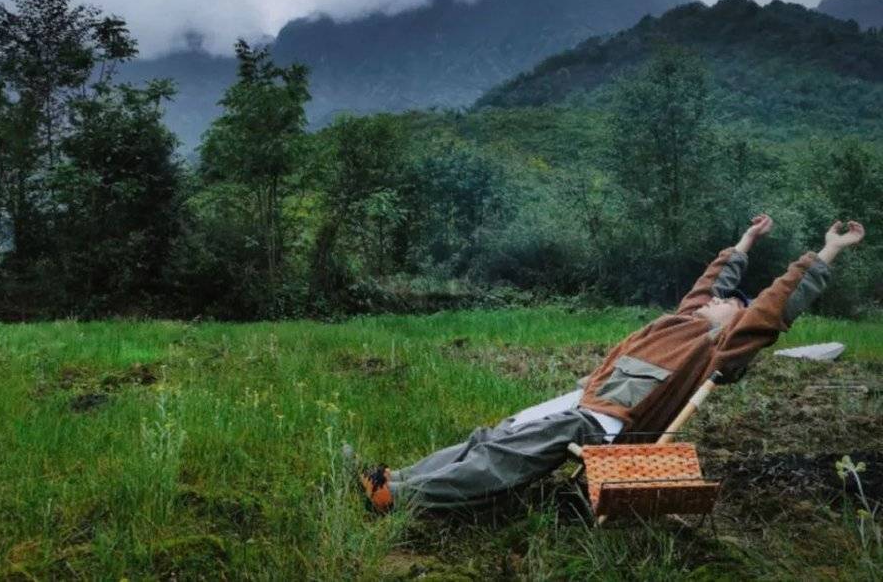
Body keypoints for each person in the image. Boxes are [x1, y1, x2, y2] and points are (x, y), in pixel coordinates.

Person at [358, 215, 866, 513]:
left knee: (504, 456)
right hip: (586, 400)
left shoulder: (722, 345)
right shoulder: (688, 319)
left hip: (605, 423)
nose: (718, 298)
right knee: (488, 438)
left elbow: (775, 305)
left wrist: (826, 251)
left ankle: (399, 498)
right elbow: (710, 281)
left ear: (736, 319)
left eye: (730, 301)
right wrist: (746, 243)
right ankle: (390, 478)